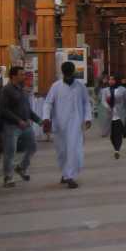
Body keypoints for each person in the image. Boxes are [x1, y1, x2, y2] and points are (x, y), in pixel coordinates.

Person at [42, 61, 93, 189]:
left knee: (74, 150)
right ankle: (65, 173)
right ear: (63, 73)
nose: (69, 77)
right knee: (62, 152)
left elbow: (86, 103)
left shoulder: (80, 87)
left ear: (74, 72)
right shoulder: (56, 86)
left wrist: (88, 118)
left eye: (71, 74)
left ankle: (70, 176)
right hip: (60, 125)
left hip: (76, 124)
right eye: (67, 74)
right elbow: (48, 103)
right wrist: (46, 118)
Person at [0, 65, 40, 187]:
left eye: (24, 74)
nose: (24, 76)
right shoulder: (6, 90)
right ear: (13, 76)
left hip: (25, 125)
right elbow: (3, 110)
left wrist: (39, 120)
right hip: (11, 126)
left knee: (33, 147)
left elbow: (28, 109)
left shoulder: (22, 89)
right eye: (21, 74)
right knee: (10, 152)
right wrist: (18, 121)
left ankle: (22, 167)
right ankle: (8, 177)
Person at [104, 74, 126, 160]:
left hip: (120, 115)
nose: (110, 81)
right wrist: (107, 107)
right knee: (112, 136)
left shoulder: (123, 89)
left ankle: (117, 150)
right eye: (109, 79)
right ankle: (115, 147)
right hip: (110, 116)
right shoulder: (106, 90)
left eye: (112, 79)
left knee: (118, 134)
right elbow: (102, 101)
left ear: (117, 80)